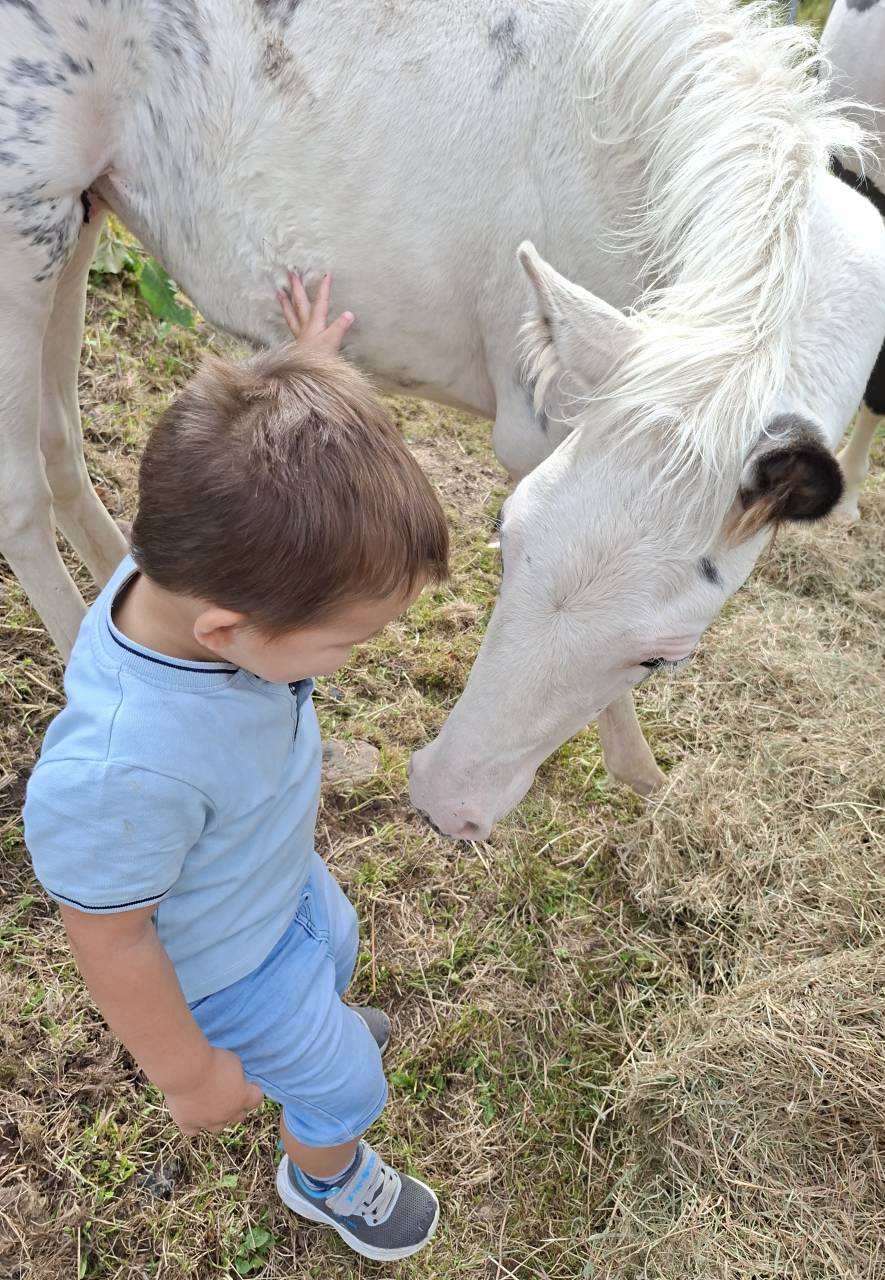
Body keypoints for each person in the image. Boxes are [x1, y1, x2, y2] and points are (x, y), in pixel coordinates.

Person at [22, 272, 449, 1262]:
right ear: (229, 628)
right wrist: (187, 1073)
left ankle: (312, 1032)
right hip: (227, 965)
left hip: (273, 880)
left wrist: (310, 375)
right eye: (343, 643)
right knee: (348, 1084)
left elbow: (243, 450)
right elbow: (111, 933)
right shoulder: (124, 768)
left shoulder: (189, 557)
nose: (355, 659)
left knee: (333, 946)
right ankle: (327, 1170)